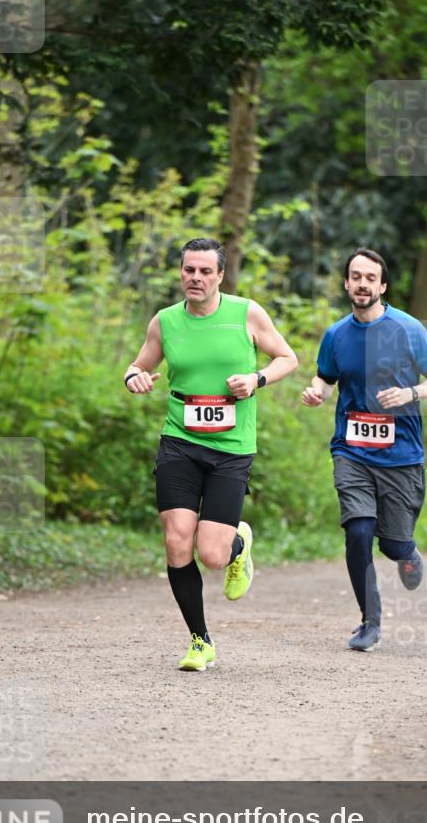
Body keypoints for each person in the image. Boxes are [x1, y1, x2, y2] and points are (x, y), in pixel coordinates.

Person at [125, 237, 298, 671]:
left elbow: (287, 358)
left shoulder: (246, 314)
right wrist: (133, 378)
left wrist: (257, 379)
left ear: (220, 275)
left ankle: (238, 544)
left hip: (231, 449)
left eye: (205, 271)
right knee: (176, 540)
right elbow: (139, 364)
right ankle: (200, 640)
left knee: (213, 556)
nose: (196, 278)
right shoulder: (165, 321)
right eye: (189, 270)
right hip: (179, 442)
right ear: (180, 272)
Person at [302, 248, 427, 651]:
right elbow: (325, 379)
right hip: (351, 450)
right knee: (358, 529)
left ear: (382, 286)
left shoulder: (408, 329)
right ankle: (370, 620)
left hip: (401, 454)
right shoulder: (336, 335)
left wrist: (410, 392)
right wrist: (316, 393)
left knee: (392, 544)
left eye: (370, 278)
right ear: (346, 283)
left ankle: (407, 551)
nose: (362, 284)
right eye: (356, 277)